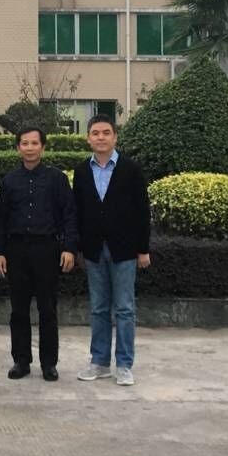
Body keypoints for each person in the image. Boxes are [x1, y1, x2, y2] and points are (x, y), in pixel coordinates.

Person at [0, 126, 78, 381]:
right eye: (25, 143)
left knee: (47, 309)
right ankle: (21, 361)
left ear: (43, 146)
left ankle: (49, 363)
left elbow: (69, 215)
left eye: (34, 143)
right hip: (16, 250)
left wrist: (69, 248)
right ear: (18, 147)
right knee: (18, 309)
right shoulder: (9, 181)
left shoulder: (56, 179)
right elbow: (1, 220)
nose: (29, 148)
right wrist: (0, 252)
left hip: (47, 250)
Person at [72, 115, 151, 387]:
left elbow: (142, 211)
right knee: (98, 308)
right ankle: (100, 361)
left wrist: (143, 249)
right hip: (93, 250)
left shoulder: (131, 169)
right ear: (88, 138)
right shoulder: (82, 171)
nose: (101, 137)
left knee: (125, 309)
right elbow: (78, 212)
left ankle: (125, 364)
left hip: (124, 250)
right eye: (95, 133)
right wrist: (78, 248)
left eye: (106, 132)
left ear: (115, 137)